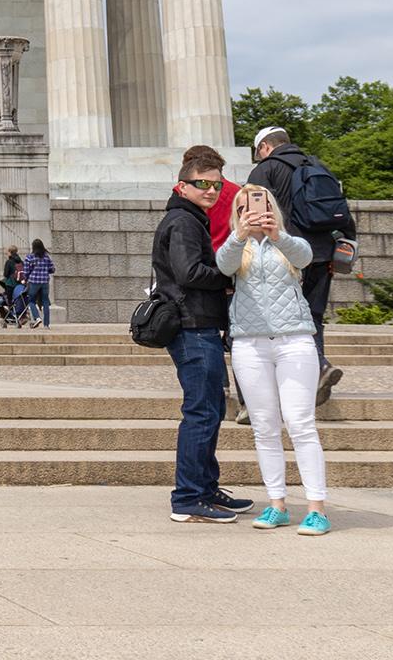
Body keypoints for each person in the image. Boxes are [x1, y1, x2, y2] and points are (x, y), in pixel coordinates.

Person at [216, 184, 331, 535]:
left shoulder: (288, 242)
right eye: (243, 206)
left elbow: (305, 257)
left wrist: (275, 233)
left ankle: (316, 508)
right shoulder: (236, 245)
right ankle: (276, 503)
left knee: (300, 424)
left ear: (272, 206)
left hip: (294, 340)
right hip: (250, 345)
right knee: (264, 428)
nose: (252, 209)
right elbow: (223, 265)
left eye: (260, 203)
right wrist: (240, 234)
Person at [155, 145, 253, 524]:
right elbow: (189, 273)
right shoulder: (182, 222)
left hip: (199, 324)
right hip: (191, 325)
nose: (211, 191)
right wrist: (229, 278)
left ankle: (207, 488)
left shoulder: (191, 218)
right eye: (201, 184)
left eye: (215, 185)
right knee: (201, 412)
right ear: (182, 186)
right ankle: (189, 496)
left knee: (209, 410)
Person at [247, 126, 358, 405]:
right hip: (322, 255)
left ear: (265, 147)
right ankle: (314, 373)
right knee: (314, 317)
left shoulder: (265, 170)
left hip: (286, 256)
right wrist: (342, 252)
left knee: (283, 320)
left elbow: (255, 218)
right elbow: (343, 215)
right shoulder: (318, 167)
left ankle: (316, 368)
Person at [21, 239, 55, 328]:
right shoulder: (46, 257)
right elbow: (52, 269)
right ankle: (46, 324)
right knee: (45, 302)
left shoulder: (30, 257)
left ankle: (37, 317)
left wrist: (26, 279)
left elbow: (26, 271)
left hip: (34, 281)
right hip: (45, 282)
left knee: (31, 301)